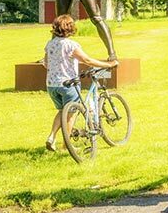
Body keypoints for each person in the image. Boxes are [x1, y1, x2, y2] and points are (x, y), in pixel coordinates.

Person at [42, 14, 117, 151]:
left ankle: (51, 137)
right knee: (71, 114)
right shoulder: (71, 45)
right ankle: (66, 146)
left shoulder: (50, 44)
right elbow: (86, 60)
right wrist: (107, 64)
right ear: (70, 28)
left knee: (61, 111)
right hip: (68, 84)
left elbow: (46, 63)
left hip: (52, 85)